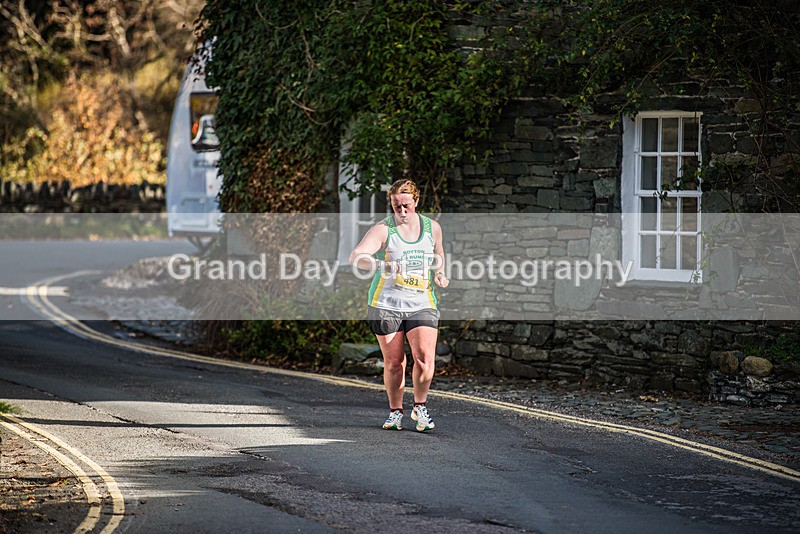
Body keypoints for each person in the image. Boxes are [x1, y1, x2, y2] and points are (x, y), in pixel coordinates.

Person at [349, 179, 448, 432]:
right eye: (396, 206)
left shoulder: (431, 227)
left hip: (422, 301)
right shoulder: (383, 229)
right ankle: (395, 411)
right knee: (395, 362)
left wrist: (440, 273)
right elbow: (356, 257)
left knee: (425, 358)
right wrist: (383, 266)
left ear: (416, 201)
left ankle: (420, 406)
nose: (402, 212)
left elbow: (439, 254)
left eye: (406, 206)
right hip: (386, 303)